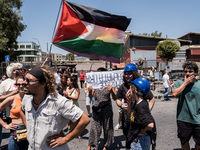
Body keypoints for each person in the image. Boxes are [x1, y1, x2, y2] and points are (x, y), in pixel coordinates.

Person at [20, 66, 90, 150]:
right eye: (25, 78)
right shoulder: (27, 98)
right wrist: (29, 130)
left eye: (29, 80)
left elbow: (85, 119)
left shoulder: (58, 101)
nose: (24, 82)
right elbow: (21, 111)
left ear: (43, 84)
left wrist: (66, 138)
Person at [116, 63, 156, 150]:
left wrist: (146, 112)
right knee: (128, 138)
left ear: (134, 74)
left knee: (138, 139)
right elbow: (117, 99)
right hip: (127, 118)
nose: (127, 76)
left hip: (139, 119)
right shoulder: (123, 87)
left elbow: (152, 99)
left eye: (129, 73)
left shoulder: (139, 85)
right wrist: (122, 105)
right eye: (125, 73)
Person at [172, 61, 200, 150]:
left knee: (199, 143)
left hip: (198, 119)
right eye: (185, 71)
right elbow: (174, 94)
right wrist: (185, 83)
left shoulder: (199, 84)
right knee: (184, 142)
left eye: (190, 71)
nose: (187, 73)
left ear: (196, 72)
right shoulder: (179, 83)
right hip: (183, 119)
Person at [87, 67, 116, 150]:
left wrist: (111, 91)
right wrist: (89, 90)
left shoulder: (109, 84)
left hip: (107, 109)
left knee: (107, 128)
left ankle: (106, 145)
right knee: (94, 127)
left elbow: (114, 97)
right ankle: (91, 145)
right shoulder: (95, 84)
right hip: (97, 108)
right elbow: (90, 96)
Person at [0, 76, 28, 150]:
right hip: (16, 131)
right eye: (18, 84)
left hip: (30, 131)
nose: (21, 86)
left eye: (24, 84)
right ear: (16, 85)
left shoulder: (32, 98)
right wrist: (5, 125)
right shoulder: (12, 99)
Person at [0, 63, 22, 150]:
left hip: (26, 115)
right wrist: (12, 94)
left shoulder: (23, 80)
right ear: (13, 71)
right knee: (15, 140)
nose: (22, 70)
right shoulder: (5, 83)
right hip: (12, 116)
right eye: (20, 69)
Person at [127, 78, 154, 150]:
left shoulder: (141, 106)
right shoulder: (137, 102)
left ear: (135, 90)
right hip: (138, 140)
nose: (129, 90)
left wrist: (140, 130)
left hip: (140, 141)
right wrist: (129, 100)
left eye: (130, 88)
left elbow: (150, 125)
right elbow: (129, 113)